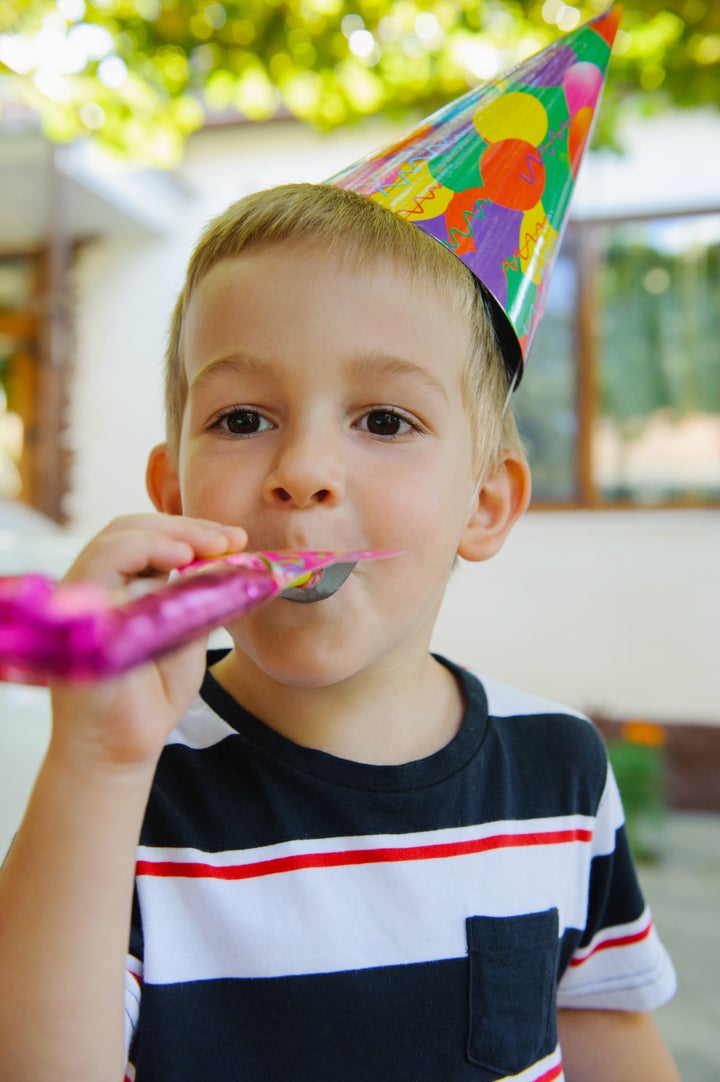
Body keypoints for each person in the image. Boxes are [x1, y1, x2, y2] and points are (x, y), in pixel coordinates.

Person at [0, 180, 680, 1082]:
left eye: (384, 420)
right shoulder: (132, 786)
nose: (304, 472)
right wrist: (99, 764)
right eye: (243, 419)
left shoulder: (560, 769)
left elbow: (606, 1033)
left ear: (484, 505)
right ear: (173, 493)